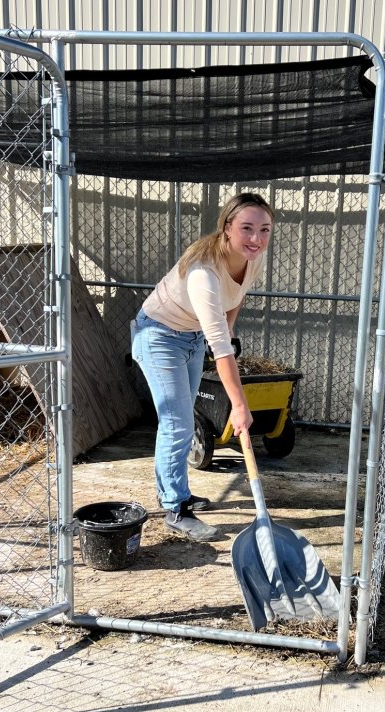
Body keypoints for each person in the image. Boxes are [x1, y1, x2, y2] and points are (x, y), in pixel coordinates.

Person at [131, 193, 275, 542]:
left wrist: (227, 330)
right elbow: (222, 349)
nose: (256, 238)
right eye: (247, 229)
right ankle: (175, 508)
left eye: (265, 229)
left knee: (183, 418)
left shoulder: (251, 258)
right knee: (178, 423)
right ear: (227, 227)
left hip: (193, 337)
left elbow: (235, 299)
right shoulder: (203, 273)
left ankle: (175, 491)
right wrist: (239, 407)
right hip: (159, 336)